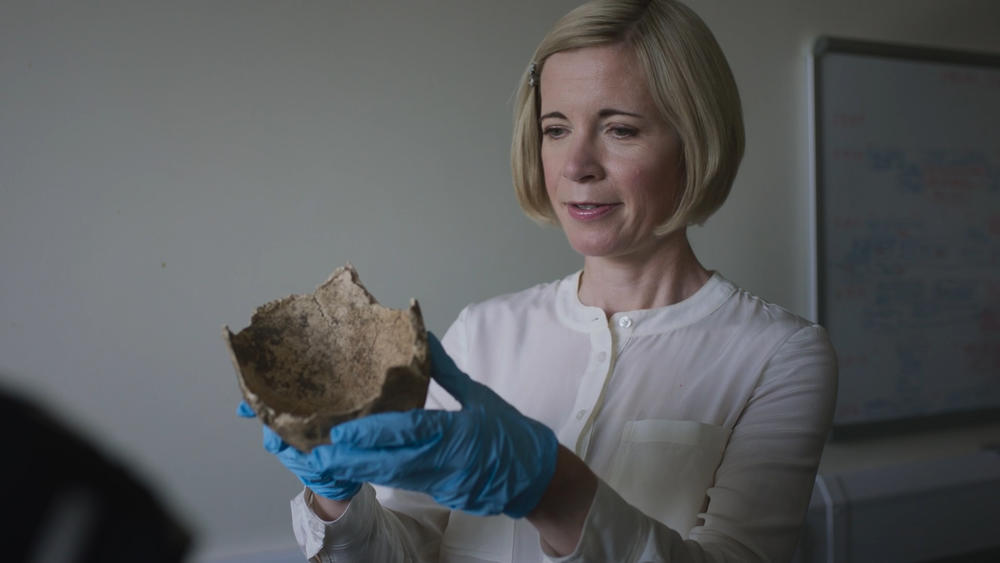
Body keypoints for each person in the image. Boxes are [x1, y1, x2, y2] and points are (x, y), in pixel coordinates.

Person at [239, 0, 838, 561]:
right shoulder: (485, 330)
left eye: (620, 129)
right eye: (556, 129)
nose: (576, 165)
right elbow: (404, 548)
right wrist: (337, 498)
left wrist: (555, 488)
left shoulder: (779, 356)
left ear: (694, 144)